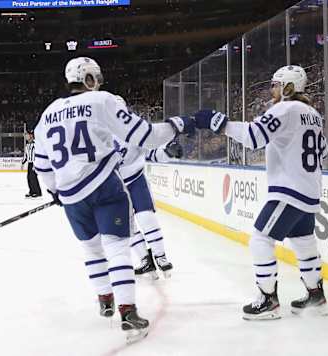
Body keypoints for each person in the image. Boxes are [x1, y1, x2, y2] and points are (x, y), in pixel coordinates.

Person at [33, 57, 195, 342]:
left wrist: (56, 192)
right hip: (105, 187)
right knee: (118, 248)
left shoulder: (47, 114)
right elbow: (146, 136)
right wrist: (179, 124)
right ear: (89, 80)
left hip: (71, 196)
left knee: (92, 250)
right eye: (96, 78)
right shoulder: (101, 101)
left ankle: (104, 300)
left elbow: (43, 167)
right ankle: (128, 312)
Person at [194, 65, 328, 320]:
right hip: (309, 190)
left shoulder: (285, 108)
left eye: (276, 84)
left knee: (260, 239)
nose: (272, 89)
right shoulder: (313, 113)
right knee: (304, 241)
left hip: (289, 190)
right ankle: (316, 296)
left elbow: (254, 137)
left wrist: (219, 122)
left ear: (288, 87)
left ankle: (268, 301)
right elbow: (323, 151)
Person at [113, 96, 181, 280]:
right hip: (115, 186)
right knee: (128, 226)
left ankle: (161, 256)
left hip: (135, 179)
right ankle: (145, 259)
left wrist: (167, 152)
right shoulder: (100, 132)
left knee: (146, 217)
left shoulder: (134, 129)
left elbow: (151, 153)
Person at [21, 130, 42, 198]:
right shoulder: (27, 145)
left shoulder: (36, 144)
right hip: (30, 163)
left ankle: (37, 192)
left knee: (33, 177)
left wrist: (36, 163)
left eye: (27, 135)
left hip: (35, 163)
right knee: (29, 178)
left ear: (31, 136)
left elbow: (38, 154)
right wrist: (23, 163)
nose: (25, 136)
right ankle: (32, 191)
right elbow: (26, 155)